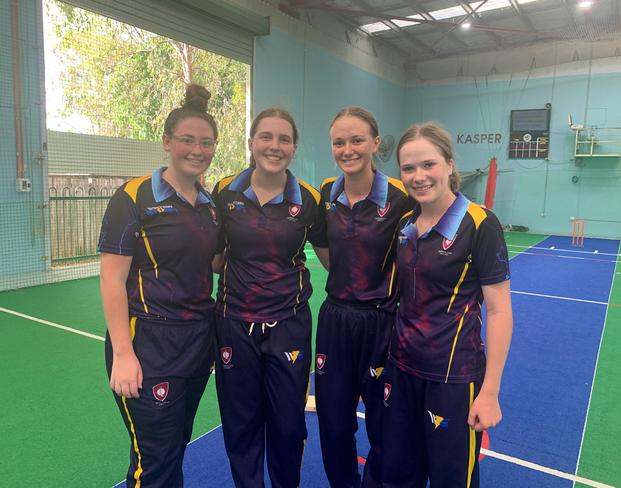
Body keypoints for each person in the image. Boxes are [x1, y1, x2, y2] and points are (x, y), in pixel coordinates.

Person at [98, 84, 221, 487]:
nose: (196, 150)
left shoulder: (210, 204)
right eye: (187, 140)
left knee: (167, 452)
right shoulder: (133, 197)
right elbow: (113, 280)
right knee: (155, 462)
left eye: (206, 142)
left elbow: (214, 264)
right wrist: (123, 354)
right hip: (147, 345)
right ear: (167, 141)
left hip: (196, 346)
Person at [381, 123, 512, 487]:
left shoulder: (480, 223)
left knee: (450, 480)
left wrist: (489, 392)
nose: (418, 176)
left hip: (453, 378)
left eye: (428, 164)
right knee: (398, 476)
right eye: (408, 168)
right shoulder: (406, 224)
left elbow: (499, 312)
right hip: (402, 370)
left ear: (450, 165)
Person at [211, 108, 323, 488]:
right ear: (251, 142)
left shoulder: (308, 199)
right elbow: (213, 256)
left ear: (293, 147)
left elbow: (332, 258)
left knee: (288, 426)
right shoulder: (225, 191)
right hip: (233, 324)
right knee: (241, 424)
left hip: (288, 326)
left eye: (284, 139)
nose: (274, 146)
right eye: (266, 137)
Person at [311, 107, 414, 488]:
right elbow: (325, 251)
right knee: (333, 424)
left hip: (382, 323)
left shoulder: (402, 197)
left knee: (383, 424)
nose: (348, 149)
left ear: (375, 143)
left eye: (357, 140)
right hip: (335, 321)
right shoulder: (326, 192)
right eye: (339, 142)